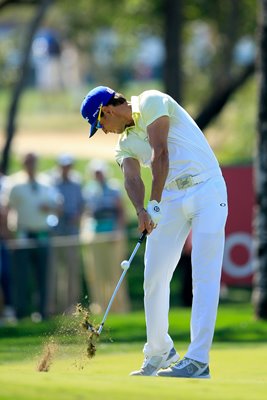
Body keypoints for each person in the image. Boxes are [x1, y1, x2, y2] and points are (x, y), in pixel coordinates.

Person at [80, 86, 228, 378]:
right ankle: (160, 351)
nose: (105, 131)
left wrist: (155, 202)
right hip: (171, 198)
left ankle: (198, 359)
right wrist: (142, 210)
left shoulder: (151, 101)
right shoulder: (123, 144)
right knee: (154, 275)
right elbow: (132, 177)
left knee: (204, 275)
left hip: (207, 189)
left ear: (106, 111)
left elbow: (161, 153)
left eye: (100, 125)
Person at [7, 153, 61, 320]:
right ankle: (20, 312)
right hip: (23, 234)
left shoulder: (46, 183)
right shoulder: (14, 184)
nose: (30, 164)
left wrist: (50, 207)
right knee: (21, 275)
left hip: (43, 233)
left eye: (33, 161)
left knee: (43, 274)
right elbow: (7, 209)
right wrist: (9, 234)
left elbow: (58, 206)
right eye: (27, 161)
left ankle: (43, 312)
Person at [82, 159, 130, 313]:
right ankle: (99, 306)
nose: (98, 176)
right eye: (96, 173)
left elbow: (121, 212)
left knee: (114, 272)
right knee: (96, 273)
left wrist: (118, 231)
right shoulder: (89, 191)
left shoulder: (114, 189)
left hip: (113, 236)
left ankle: (119, 307)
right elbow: (87, 214)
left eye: (100, 173)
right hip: (95, 235)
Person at [50, 153, 85, 314]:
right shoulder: (51, 182)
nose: (66, 169)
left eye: (68, 166)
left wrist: (77, 215)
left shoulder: (76, 183)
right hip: (55, 232)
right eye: (63, 166)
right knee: (55, 271)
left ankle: (71, 307)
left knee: (72, 269)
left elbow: (82, 206)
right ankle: (54, 307)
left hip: (71, 231)